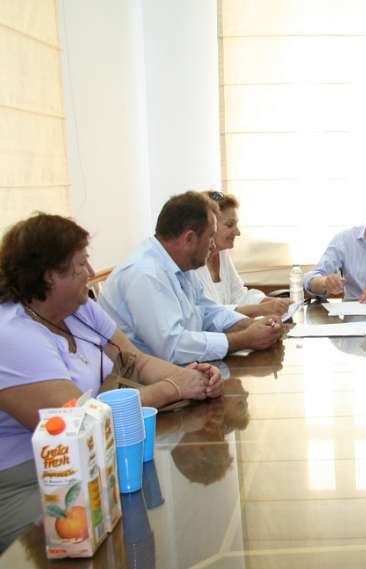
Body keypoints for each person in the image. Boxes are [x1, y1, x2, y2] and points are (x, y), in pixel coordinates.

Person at [0, 213, 223, 551]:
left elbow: (136, 361)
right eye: (80, 264)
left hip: (91, 462)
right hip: (28, 479)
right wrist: (173, 389)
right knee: (99, 539)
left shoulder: (79, 309)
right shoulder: (12, 334)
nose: (91, 272)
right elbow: (81, 420)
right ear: (49, 276)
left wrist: (193, 377)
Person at [100, 192, 284, 364]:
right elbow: (173, 348)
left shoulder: (180, 264)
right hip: (142, 381)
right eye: (210, 237)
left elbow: (208, 312)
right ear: (189, 239)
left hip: (177, 370)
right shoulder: (145, 274)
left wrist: (251, 325)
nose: (213, 245)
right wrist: (245, 339)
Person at [194, 190, 290, 317]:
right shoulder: (191, 264)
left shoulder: (222, 253)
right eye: (230, 225)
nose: (238, 232)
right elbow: (210, 314)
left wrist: (276, 303)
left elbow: (240, 295)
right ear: (210, 226)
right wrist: (261, 309)